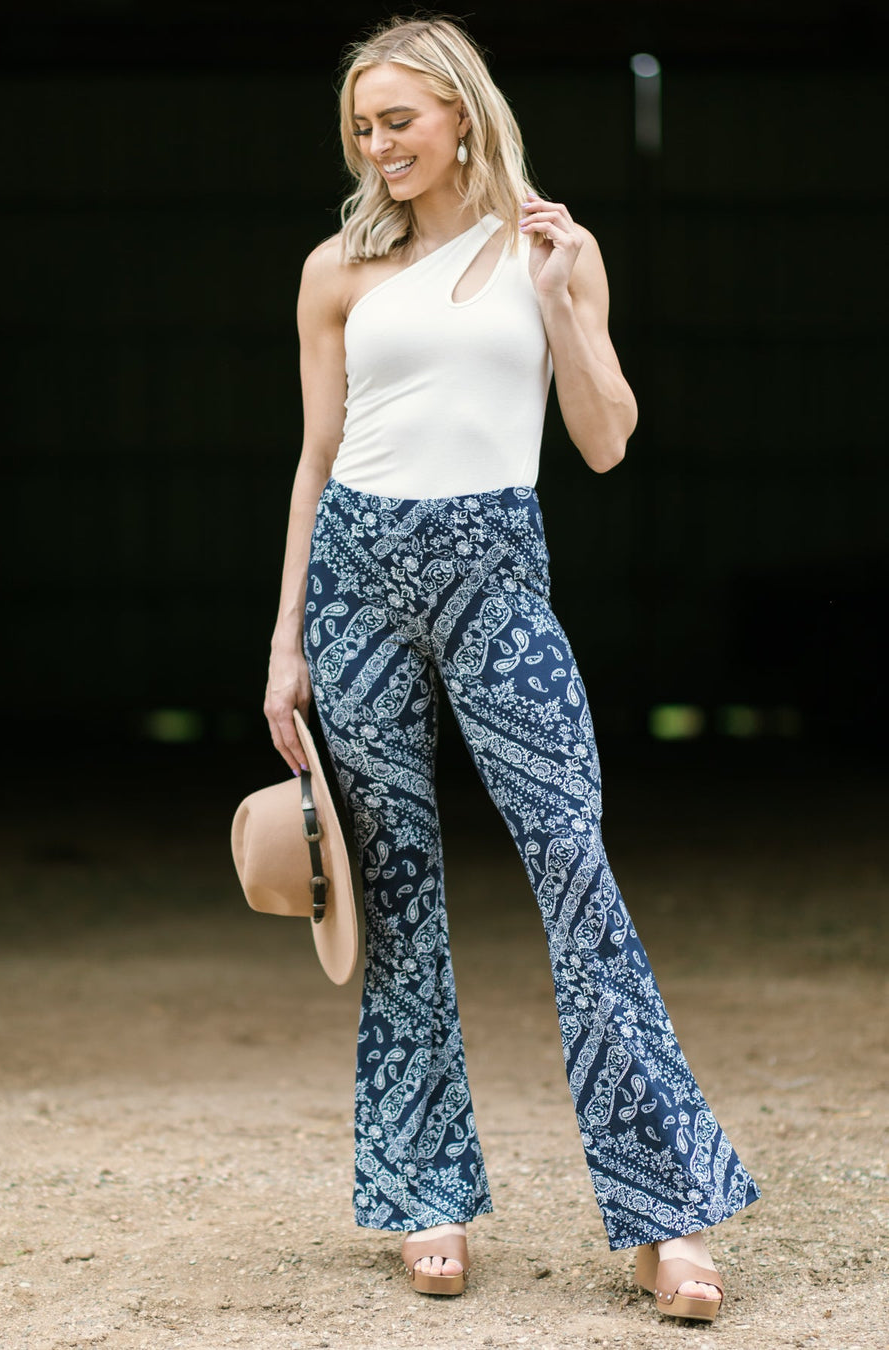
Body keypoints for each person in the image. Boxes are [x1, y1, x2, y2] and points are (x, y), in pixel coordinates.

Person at [263, 14, 759, 1320]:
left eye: (399, 121)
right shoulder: (335, 272)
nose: (378, 146)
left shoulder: (552, 248)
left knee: (574, 868)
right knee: (396, 888)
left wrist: (559, 303)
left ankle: (666, 1217)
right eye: (362, 127)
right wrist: (285, 642)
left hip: (495, 570)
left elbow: (604, 436)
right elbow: (316, 458)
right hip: (356, 573)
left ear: (462, 113)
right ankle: (425, 1191)